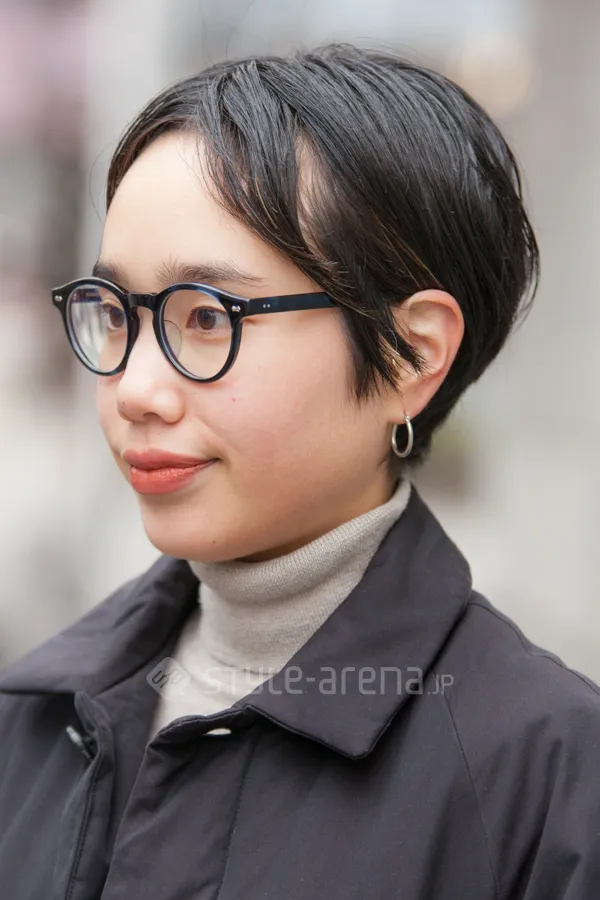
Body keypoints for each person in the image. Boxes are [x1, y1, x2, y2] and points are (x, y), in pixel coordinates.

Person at [0, 43, 598, 900]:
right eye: (118, 314)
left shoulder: (548, 785)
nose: (134, 389)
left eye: (207, 317)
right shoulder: (38, 711)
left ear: (410, 354)